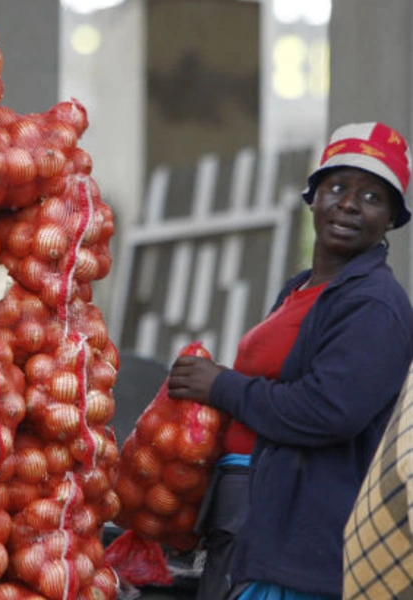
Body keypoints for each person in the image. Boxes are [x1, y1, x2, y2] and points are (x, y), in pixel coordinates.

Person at [167, 121, 413, 600]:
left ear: (391, 220)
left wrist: (221, 386)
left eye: (371, 197)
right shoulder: (303, 288)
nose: (348, 203)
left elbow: (329, 411)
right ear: (313, 197)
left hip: (301, 543)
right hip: (255, 517)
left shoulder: (374, 305)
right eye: (337, 187)